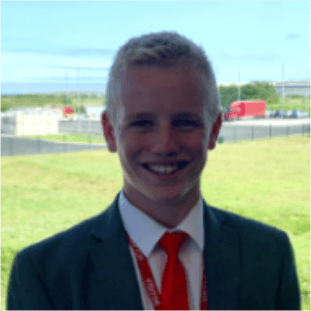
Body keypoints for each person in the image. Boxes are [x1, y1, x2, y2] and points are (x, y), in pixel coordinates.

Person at [7, 31, 300, 311]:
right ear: (110, 132)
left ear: (214, 130)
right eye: (142, 123)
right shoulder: (44, 274)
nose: (164, 145)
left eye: (185, 122)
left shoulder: (268, 255)